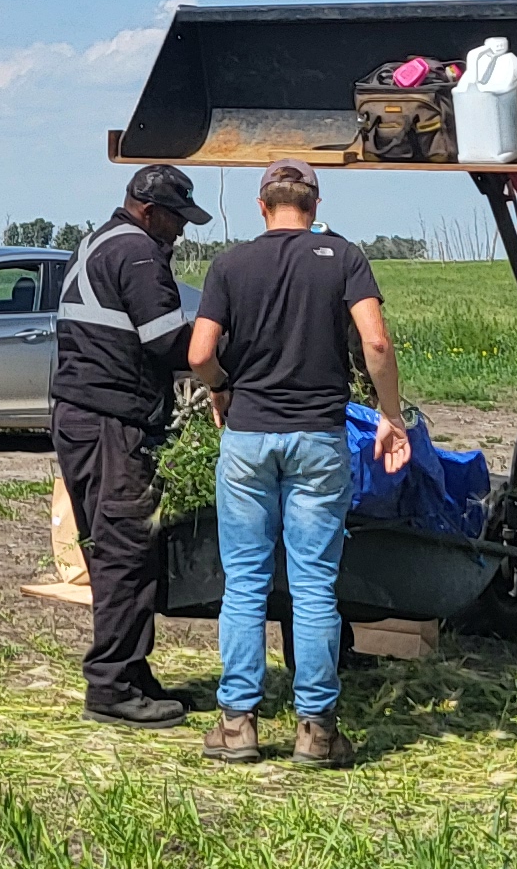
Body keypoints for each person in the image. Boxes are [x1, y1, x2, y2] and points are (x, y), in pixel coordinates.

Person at [183, 163, 411, 768]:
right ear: (314, 204)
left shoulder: (230, 263)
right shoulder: (343, 257)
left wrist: (221, 388)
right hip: (317, 438)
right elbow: (377, 342)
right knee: (313, 586)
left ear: (263, 206)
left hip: (249, 437)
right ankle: (316, 730)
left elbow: (200, 352)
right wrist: (391, 415)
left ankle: (238, 725)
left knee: (245, 583)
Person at [48, 164, 213, 725]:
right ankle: (112, 685)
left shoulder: (94, 243)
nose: (181, 231)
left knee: (114, 547)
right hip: (113, 423)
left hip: (81, 418)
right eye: (176, 219)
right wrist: (222, 351)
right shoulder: (139, 253)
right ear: (148, 210)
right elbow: (168, 342)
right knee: (125, 552)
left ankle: (133, 671)